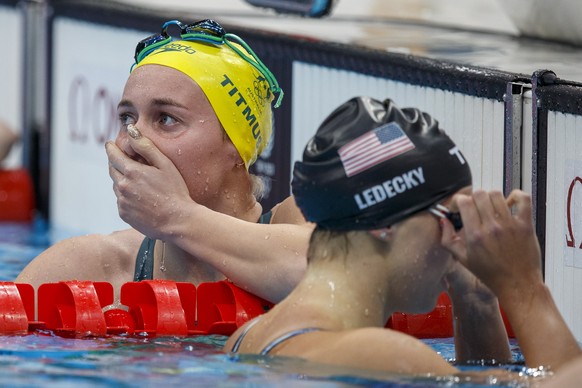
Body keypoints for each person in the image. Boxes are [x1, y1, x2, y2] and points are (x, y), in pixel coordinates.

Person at [224, 96, 581, 380]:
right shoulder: (381, 356)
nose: (459, 241)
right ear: (385, 222)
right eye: (453, 218)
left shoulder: (248, 339)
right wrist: (525, 287)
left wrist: (476, 300)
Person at [16, 19, 312, 305]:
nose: (132, 139)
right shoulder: (85, 272)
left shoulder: (301, 219)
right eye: (127, 118)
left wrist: (177, 216)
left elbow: (333, 279)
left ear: (235, 144)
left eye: (166, 119)